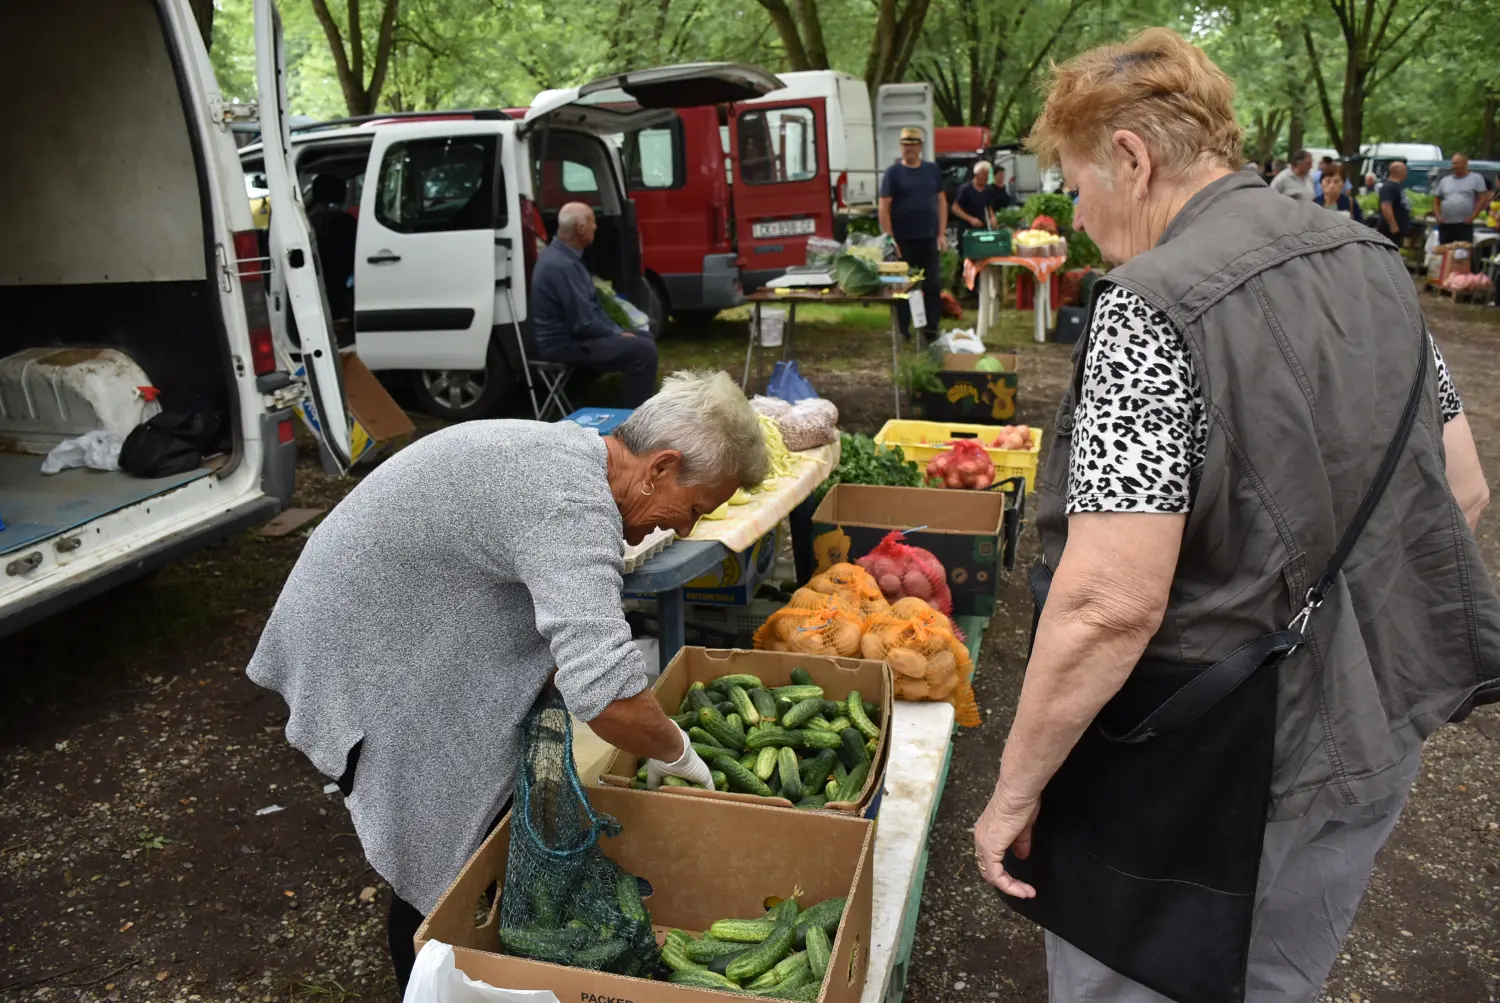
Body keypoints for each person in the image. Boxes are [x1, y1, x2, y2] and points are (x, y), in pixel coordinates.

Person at [973, 26, 1498, 1003]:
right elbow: (1461, 487)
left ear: (1130, 157)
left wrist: (1011, 789)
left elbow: (1107, 604)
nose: (1080, 219)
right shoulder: (1377, 260)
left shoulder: (1147, 305)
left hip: (1195, 783)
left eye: (1079, 187)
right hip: (1371, 737)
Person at [247, 371, 768, 992]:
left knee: (474, 809)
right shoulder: (569, 504)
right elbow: (607, 695)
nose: (683, 529)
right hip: (359, 649)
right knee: (435, 847)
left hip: (400, 617)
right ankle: (431, 974)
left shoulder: (575, 455)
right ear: (661, 467)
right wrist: (678, 754)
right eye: (694, 508)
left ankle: (460, 951)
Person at [531, 202, 658, 407]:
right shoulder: (561, 265)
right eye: (592, 222)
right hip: (564, 344)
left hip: (575, 337)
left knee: (644, 337)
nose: (596, 227)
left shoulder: (564, 257)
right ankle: (634, 419)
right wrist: (616, 333)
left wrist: (617, 331)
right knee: (642, 351)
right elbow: (584, 322)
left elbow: (588, 311)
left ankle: (638, 406)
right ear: (580, 229)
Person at [878, 126, 946, 340]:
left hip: (928, 238)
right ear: (901, 147)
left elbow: (942, 201)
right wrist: (890, 239)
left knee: (932, 285)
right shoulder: (893, 173)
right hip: (902, 241)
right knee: (903, 287)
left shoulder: (931, 170)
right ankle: (904, 330)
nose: (909, 149)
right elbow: (883, 207)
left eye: (913, 144)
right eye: (905, 145)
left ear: (920, 147)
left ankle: (931, 329)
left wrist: (941, 233)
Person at [1433, 152, 1493, 245]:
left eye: (1456, 163)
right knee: (1445, 251)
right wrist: (1438, 215)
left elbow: (1483, 198)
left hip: (1463, 224)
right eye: (1452, 163)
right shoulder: (1445, 180)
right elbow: (1436, 199)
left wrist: (1473, 216)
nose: (1453, 166)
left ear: (1465, 163)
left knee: (1463, 252)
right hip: (1446, 223)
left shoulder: (1475, 178)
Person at [1376, 160, 1413, 246]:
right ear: (1399, 171)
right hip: (1389, 230)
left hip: (1399, 228)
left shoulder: (1397, 186)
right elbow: (1386, 206)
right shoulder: (1389, 186)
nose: (1406, 173)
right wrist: (1393, 225)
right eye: (1405, 170)